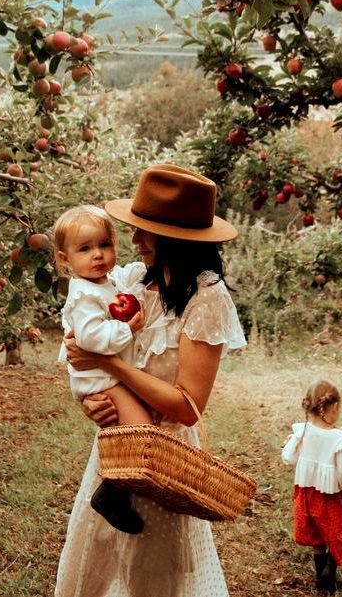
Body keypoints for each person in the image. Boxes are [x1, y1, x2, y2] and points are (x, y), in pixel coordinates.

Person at [55, 163, 247, 597]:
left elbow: (187, 406)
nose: (134, 240)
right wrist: (91, 402)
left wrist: (114, 369)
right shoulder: (130, 281)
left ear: (177, 239)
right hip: (117, 452)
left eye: (146, 231)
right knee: (103, 565)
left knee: (156, 574)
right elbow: (79, 346)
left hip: (165, 460)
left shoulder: (206, 299)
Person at [53, 204, 152, 534]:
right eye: (85, 249)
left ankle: (118, 488)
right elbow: (90, 338)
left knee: (136, 426)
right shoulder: (82, 293)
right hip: (98, 378)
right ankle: (112, 490)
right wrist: (128, 330)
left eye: (104, 245)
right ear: (64, 259)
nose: (97, 255)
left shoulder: (106, 282)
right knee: (140, 427)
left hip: (106, 373)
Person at [281, 379, 342, 594]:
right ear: (335, 406)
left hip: (307, 497)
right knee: (337, 534)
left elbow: (288, 458)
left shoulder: (302, 432)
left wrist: (293, 440)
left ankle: (321, 579)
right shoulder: (340, 439)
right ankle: (329, 575)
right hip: (332, 499)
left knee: (317, 537)